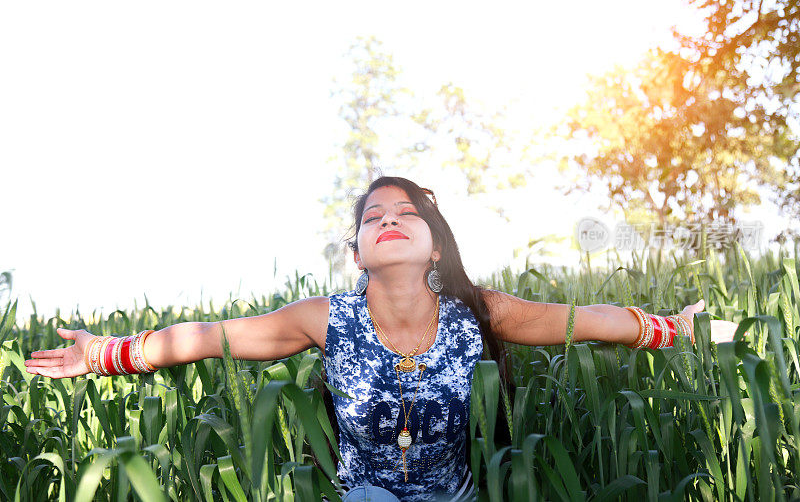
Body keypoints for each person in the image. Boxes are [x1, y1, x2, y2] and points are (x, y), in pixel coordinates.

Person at [24, 176, 739, 502]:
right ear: (359, 250)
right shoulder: (324, 318)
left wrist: (683, 327)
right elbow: (209, 337)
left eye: (406, 212)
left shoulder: (481, 311)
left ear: (434, 246)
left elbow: (596, 321)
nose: (389, 218)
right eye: (373, 216)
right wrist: (106, 353)